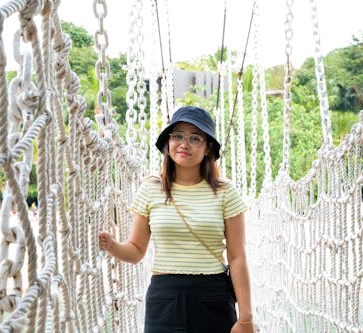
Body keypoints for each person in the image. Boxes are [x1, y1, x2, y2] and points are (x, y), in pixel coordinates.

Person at [99, 106, 255, 333]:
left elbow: (237, 256)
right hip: (165, 299)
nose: (184, 144)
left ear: (208, 148)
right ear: (168, 143)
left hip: (213, 296)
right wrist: (111, 245)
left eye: (195, 138)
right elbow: (135, 251)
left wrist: (246, 317)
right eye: (178, 136)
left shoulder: (225, 192)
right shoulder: (151, 189)